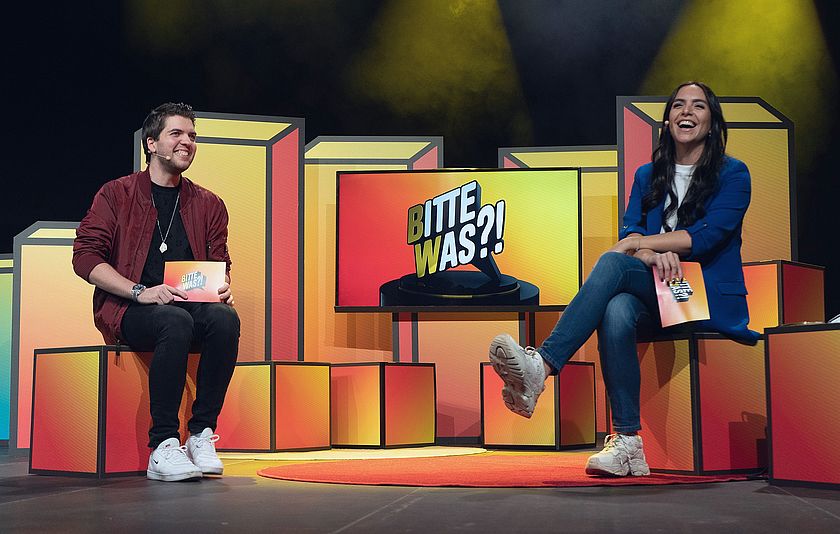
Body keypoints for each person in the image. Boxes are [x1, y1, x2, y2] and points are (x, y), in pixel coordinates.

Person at [489, 82, 760, 477]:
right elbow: (632, 230)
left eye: (698, 106)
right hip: (661, 290)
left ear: (711, 121)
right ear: (667, 122)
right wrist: (651, 251)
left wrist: (641, 244)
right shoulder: (647, 174)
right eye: (678, 106)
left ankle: (543, 365)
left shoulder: (734, 174)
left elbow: (707, 236)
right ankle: (628, 445)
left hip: (704, 296)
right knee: (616, 309)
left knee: (612, 264)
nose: (687, 112)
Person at [73, 102, 240, 482]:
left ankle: (200, 433)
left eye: (193, 136)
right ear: (151, 143)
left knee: (225, 318)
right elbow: (85, 257)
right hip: (130, 308)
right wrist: (139, 291)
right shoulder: (117, 194)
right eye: (177, 134)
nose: (187, 142)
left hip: (190, 304)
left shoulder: (209, 203)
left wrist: (224, 287)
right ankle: (163, 444)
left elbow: (220, 262)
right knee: (173, 319)